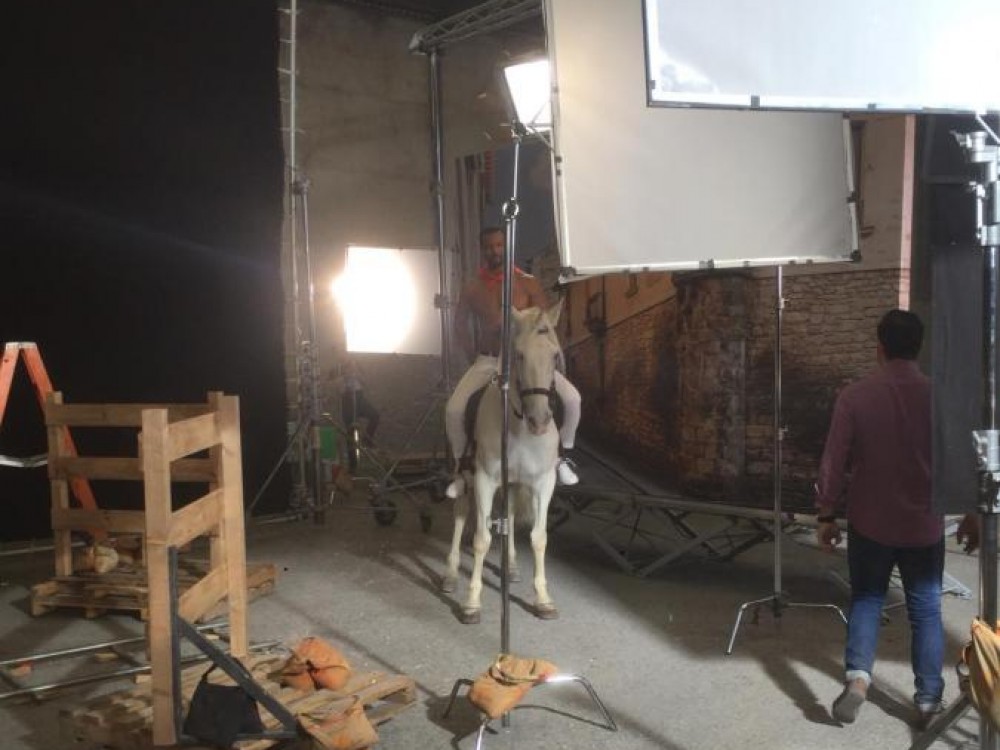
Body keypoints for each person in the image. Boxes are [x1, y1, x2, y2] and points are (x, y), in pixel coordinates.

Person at [815, 309, 944, 727]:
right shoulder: (938, 396)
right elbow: (957, 457)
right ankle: (928, 700)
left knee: (867, 600)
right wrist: (973, 516)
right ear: (919, 347)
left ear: (880, 347)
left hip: (870, 520)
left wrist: (826, 513)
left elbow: (834, 460)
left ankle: (857, 680)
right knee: (926, 609)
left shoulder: (855, 396)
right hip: (924, 522)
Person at [444, 226, 582, 498]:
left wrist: (543, 355)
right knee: (453, 410)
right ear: (482, 249)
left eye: (499, 245)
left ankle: (561, 457)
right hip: (489, 359)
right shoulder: (472, 288)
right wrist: (474, 354)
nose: (494, 251)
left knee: (573, 400)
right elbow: (459, 325)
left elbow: (544, 322)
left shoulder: (528, 282)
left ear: (507, 247)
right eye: (489, 246)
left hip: (525, 361)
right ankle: (462, 469)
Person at [334, 356, 380, 447]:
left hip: (360, 399)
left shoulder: (358, 376)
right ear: (346, 368)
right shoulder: (340, 376)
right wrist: (345, 380)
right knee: (350, 428)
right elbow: (340, 390)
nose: (352, 369)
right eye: (350, 367)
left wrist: (358, 376)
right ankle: (352, 452)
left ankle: (367, 440)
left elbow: (367, 384)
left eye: (354, 367)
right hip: (348, 402)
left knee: (375, 415)